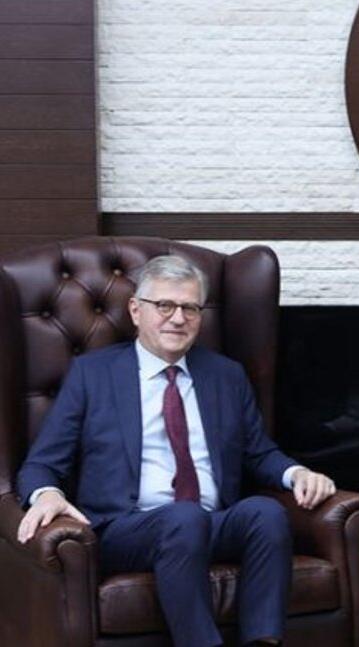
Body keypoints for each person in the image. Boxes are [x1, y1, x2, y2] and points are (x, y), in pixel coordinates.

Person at [15, 255, 337, 647]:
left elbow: (258, 452)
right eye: (164, 305)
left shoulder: (225, 375)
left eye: (190, 308)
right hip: (128, 529)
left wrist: (297, 473)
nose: (178, 318)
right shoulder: (94, 374)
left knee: (265, 513)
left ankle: (263, 641)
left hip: (210, 521)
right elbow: (42, 463)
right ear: (136, 310)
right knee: (184, 517)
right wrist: (46, 493)